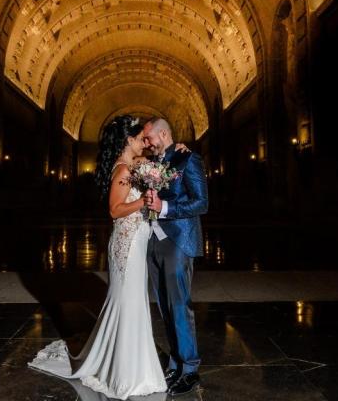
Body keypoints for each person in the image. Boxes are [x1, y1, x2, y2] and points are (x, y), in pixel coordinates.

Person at [28, 115, 167, 399]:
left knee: (133, 302)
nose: (144, 141)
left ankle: (131, 364)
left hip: (137, 243)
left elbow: (160, 159)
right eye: (140, 137)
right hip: (126, 246)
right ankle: (125, 372)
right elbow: (115, 210)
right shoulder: (123, 171)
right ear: (127, 140)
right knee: (127, 302)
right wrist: (143, 201)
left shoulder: (134, 165)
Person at [142, 118, 208, 395]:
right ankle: (174, 364)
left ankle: (190, 369)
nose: (147, 143)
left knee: (180, 306)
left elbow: (202, 202)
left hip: (178, 241)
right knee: (165, 308)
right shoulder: (155, 162)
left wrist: (165, 206)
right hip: (155, 241)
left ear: (164, 133)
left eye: (149, 138)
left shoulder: (188, 159)